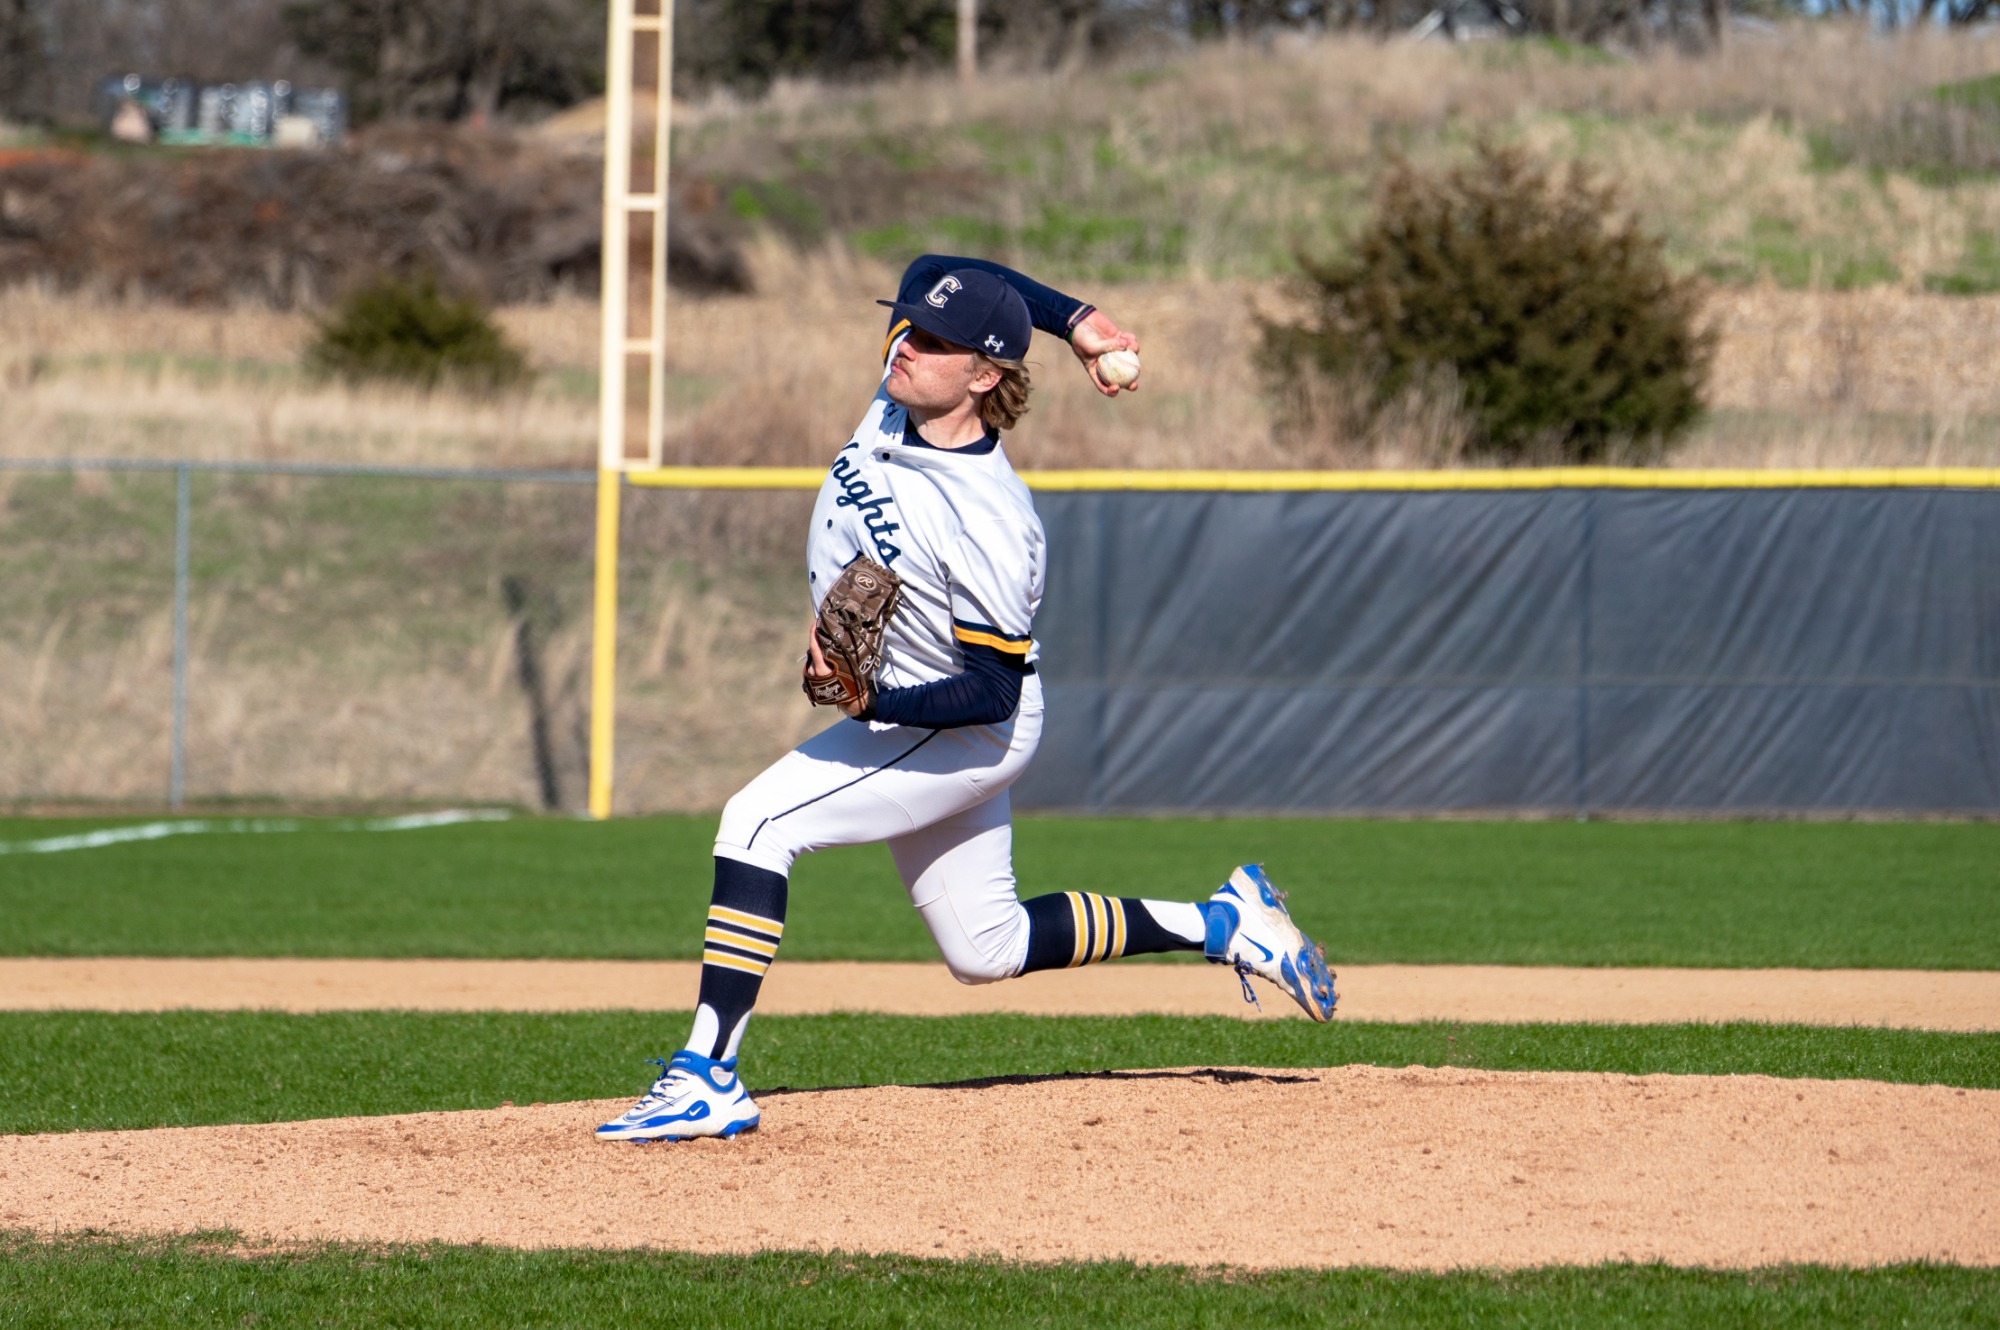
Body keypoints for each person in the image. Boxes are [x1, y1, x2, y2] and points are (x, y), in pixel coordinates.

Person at [596, 256, 1337, 1143]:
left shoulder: (992, 519)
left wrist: (867, 696)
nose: (907, 341)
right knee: (984, 952)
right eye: (907, 324)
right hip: (919, 714)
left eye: (936, 339)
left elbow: (988, 692)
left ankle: (707, 1073)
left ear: (984, 376)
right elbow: (945, 270)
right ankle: (1226, 922)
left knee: (756, 824)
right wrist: (1082, 323)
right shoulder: (895, 393)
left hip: (963, 729)